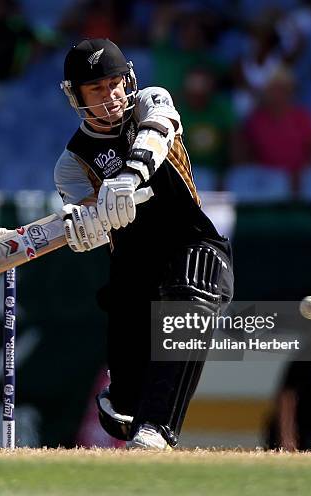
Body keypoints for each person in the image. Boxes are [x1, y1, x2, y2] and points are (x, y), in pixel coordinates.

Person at [55, 39, 234, 449]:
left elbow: (158, 132)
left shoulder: (151, 101)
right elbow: (89, 223)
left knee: (192, 293)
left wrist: (130, 175)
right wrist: (84, 228)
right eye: (96, 89)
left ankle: (158, 431)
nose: (112, 96)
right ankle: (127, 400)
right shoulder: (72, 163)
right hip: (134, 270)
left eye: (115, 83)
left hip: (192, 242)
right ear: (77, 97)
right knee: (125, 408)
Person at [238, 65, 311, 188]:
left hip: (299, 182)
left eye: (280, 89)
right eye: (271, 89)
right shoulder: (255, 120)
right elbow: (246, 154)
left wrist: (302, 176)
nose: (275, 94)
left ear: (289, 91)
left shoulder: (303, 118)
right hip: (264, 182)